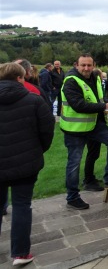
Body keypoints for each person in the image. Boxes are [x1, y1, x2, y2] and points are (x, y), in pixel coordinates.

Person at [0, 62, 55, 266]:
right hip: (26, 162)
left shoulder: (33, 100)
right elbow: (47, 130)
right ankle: (20, 253)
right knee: (22, 205)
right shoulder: (34, 100)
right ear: (20, 78)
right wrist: (38, 150)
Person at [60, 53, 108, 210]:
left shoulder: (95, 78)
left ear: (94, 65)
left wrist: (106, 101)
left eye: (89, 65)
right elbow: (79, 105)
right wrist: (105, 106)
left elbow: (96, 98)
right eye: (83, 65)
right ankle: (72, 197)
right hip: (74, 129)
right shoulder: (70, 81)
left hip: (92, 124)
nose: (86, 68)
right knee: (74, 164)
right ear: (76, 65)